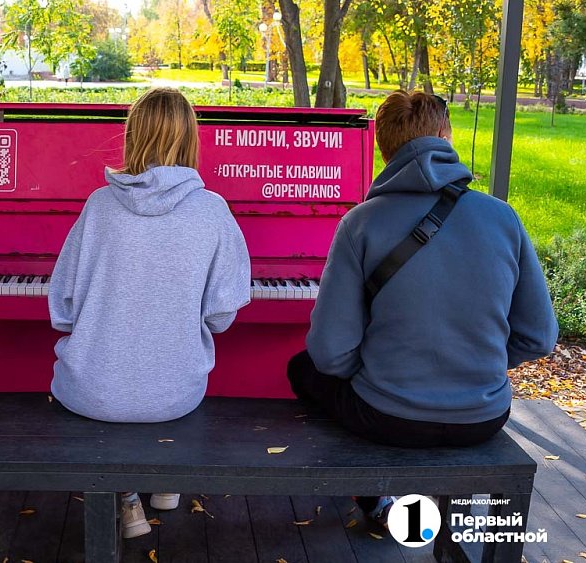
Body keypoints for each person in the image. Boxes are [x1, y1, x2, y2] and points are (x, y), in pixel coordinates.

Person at [288, 90, 558, 526]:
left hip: (387, 417)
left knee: (301, 370)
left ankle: (369, 493)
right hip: (483, 417)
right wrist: (474, 363)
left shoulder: (360, 222)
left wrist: (380, 370)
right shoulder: (502, 216)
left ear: (384, 147)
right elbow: (540, 336)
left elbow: (329, 353)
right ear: (444, 136)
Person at [48, 87, 251, 538]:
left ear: (132, 137)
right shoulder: (213, 211)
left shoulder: (99, 206)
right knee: (160, 386)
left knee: (108, 383)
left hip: (91, 393)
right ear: (190, 140)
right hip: (174, 396)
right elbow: (222, 317)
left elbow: (61, 309)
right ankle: (164, 480)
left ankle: (127, 499)